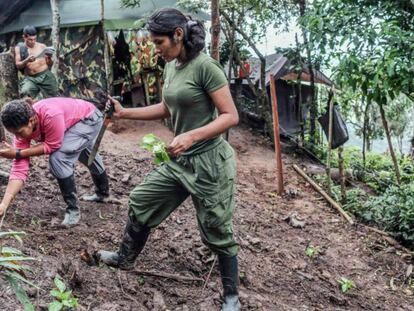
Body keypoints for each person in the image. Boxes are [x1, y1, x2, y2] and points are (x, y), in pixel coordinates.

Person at [97, 8, 241, 311]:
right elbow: (166, 107)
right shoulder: (172, 66)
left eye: (159, 42)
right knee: (141, 200)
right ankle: (124, 259)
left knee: (217, 229)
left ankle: (231, 296)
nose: (155, 48)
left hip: (209, 162)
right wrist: (125, 113)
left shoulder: (206, 67)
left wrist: (191, 136)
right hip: (179, 161)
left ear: (178, 35)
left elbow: (230, 116)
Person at [0, 96, 112, 225]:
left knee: (59, 158)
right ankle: (103, 194)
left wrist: (18, 153)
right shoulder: (22, 127)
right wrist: (4, 204)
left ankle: (73, 209)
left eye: (19, 132)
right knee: (84, 155)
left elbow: (52, 145)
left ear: (31, 120)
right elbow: (19, 167)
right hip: (71, 123)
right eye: (14, 134)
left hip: (89, 119)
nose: (17, 137)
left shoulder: (50, 114)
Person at [15, 25, 59, 99]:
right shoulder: (20, 48)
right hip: (31, 78)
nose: (33, 42)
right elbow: (18, 65)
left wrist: (49, 58)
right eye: (30, 39)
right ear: (24, 37)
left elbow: (50, 64)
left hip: (45, 75)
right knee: (25, 93)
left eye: (35, 39)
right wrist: (27, 60)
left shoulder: (42, 46)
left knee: (54, 96)